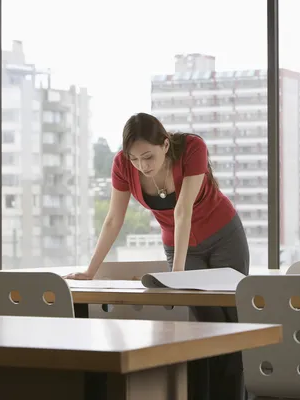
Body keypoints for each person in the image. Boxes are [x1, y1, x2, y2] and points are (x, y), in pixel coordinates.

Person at [66, 112, 250, 400]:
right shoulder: (122, 167)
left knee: (236, 321)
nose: (142, 166)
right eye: (134, 159)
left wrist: (176, 275)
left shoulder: (192, 148)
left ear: (165, 145)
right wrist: (91, 271)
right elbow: (114, 219)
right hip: (178, 243)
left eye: (148, 157)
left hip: (224, 235)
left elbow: (182, 210)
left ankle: (236, 394)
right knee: (206, 326)